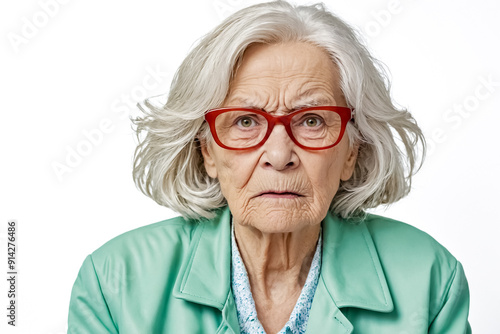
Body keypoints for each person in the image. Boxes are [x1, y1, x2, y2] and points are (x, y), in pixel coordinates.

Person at [67, 1, 471, 333]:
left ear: (352, 150)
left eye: (312, 120)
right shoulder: (113, 281)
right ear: (206, 150)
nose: (279, 155)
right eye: (245, 121)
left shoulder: (430, 278)